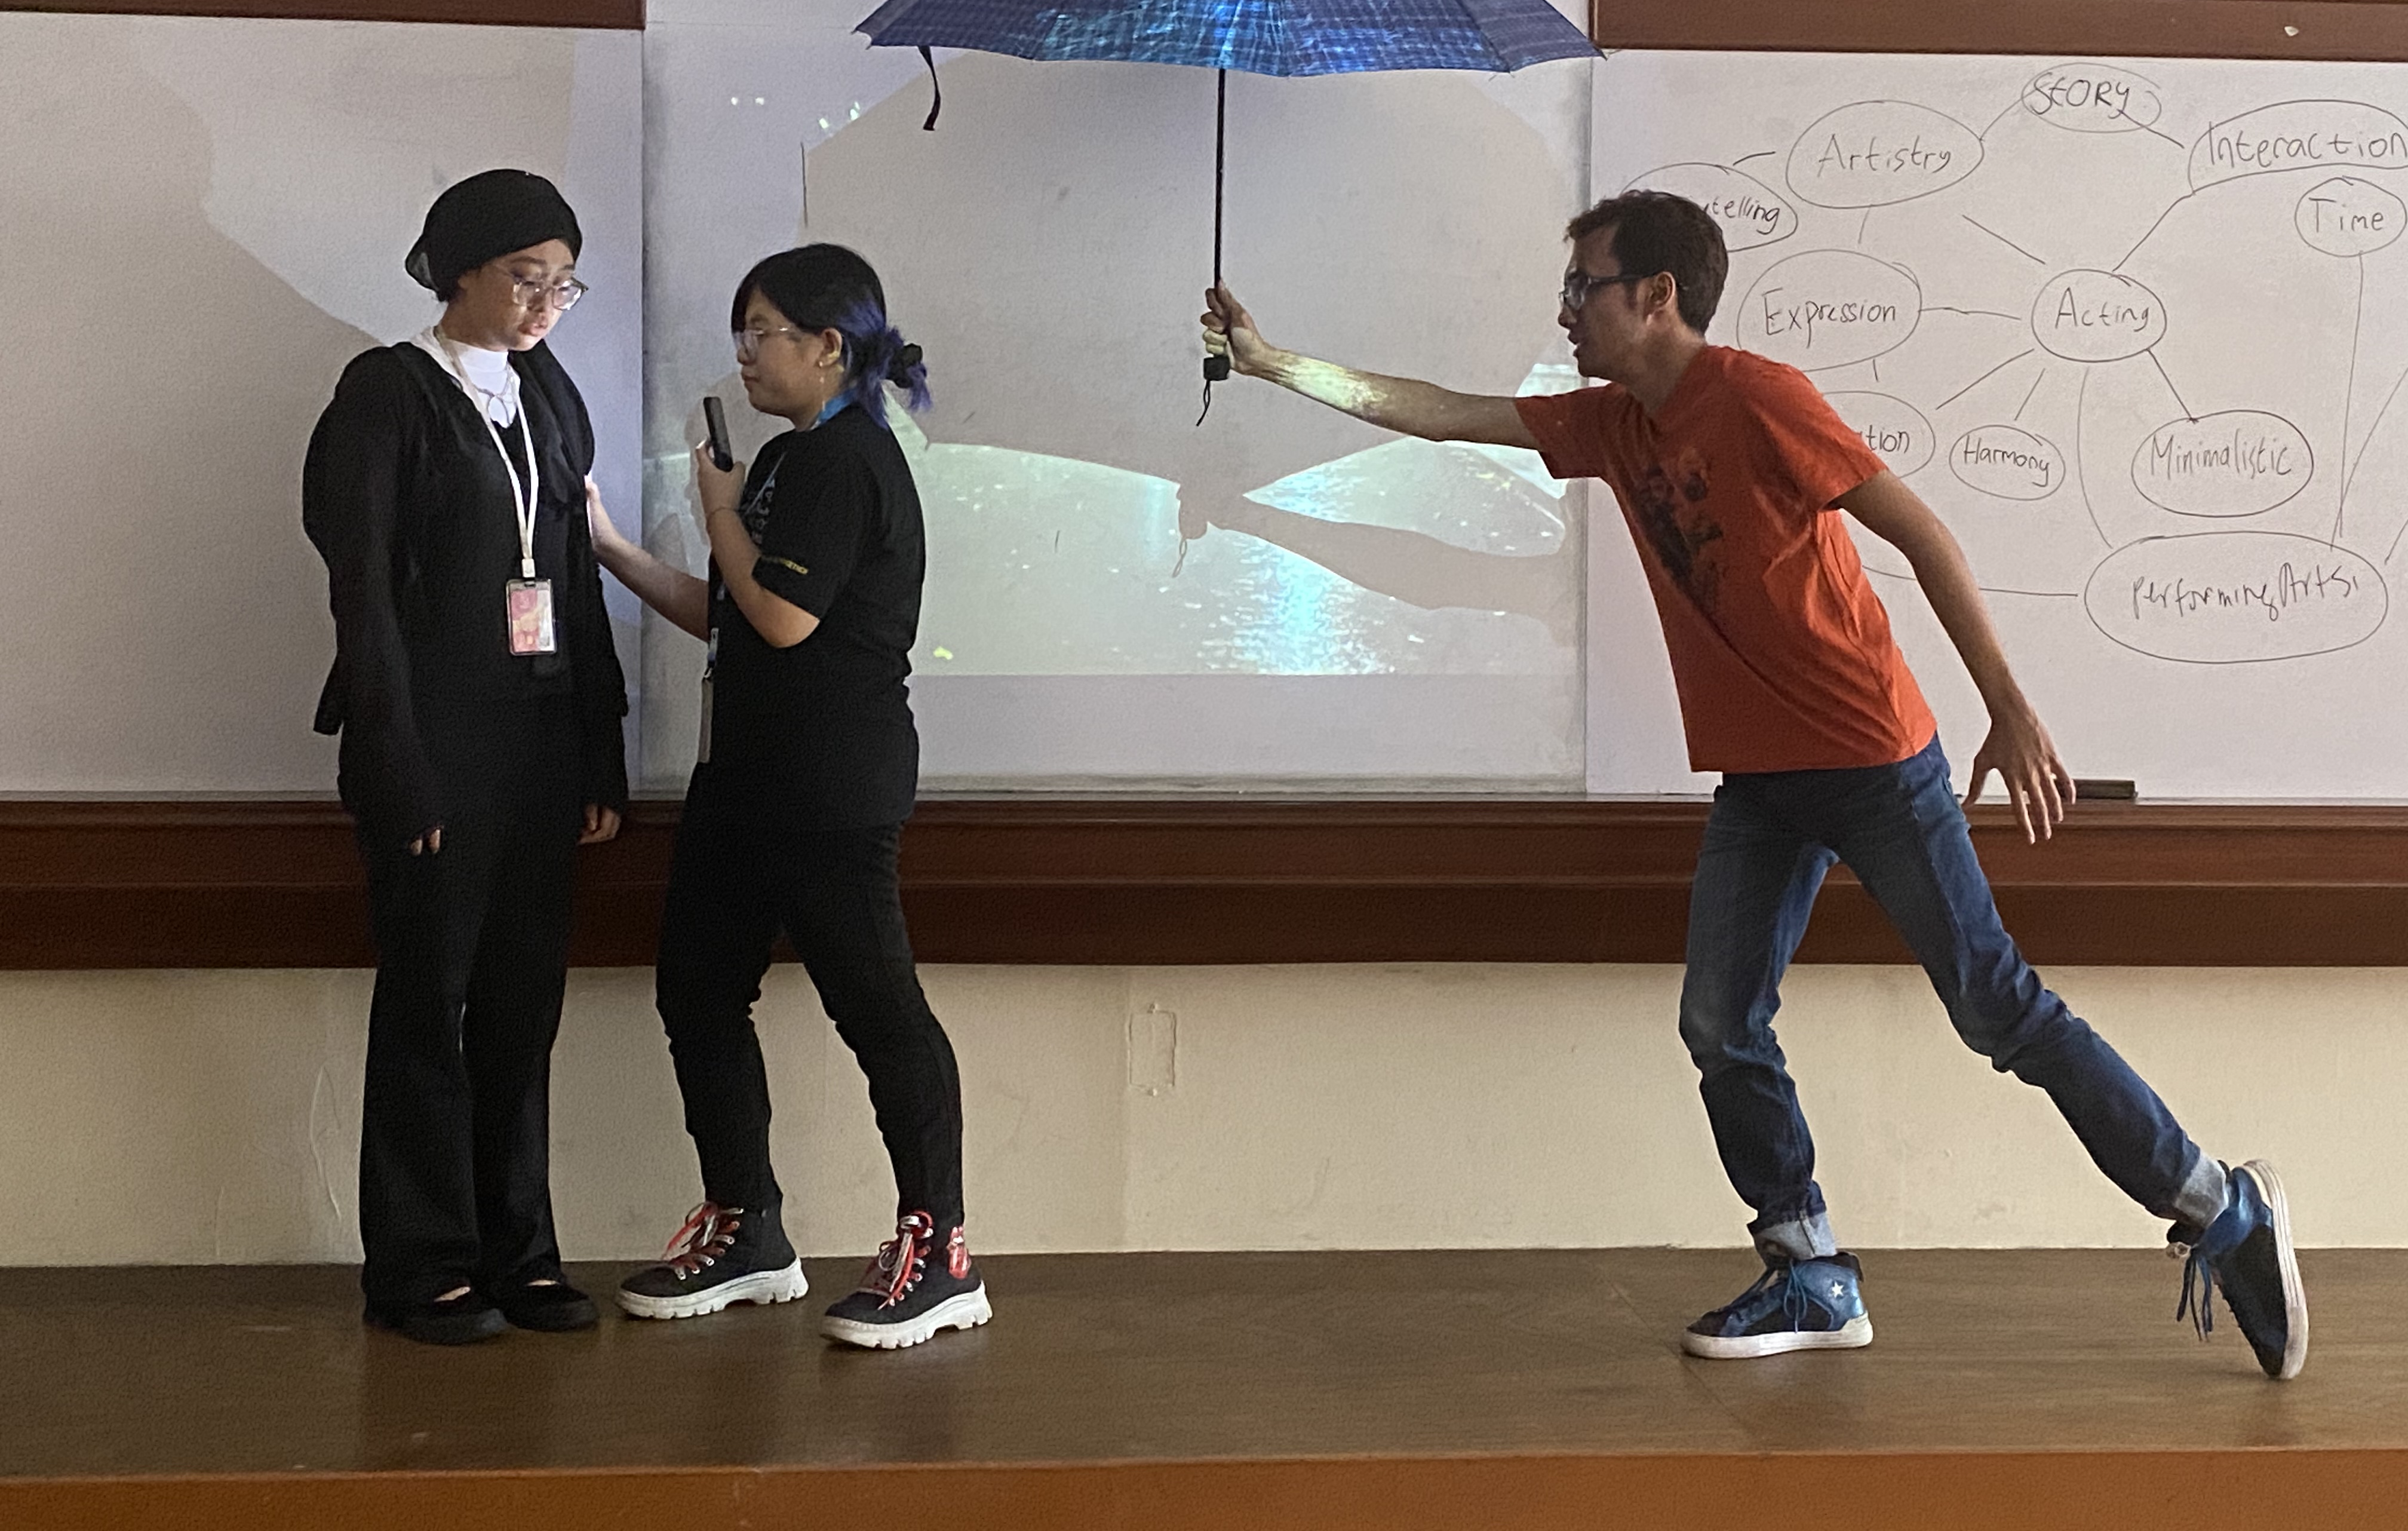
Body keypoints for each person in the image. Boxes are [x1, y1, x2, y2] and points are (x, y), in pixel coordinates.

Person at [1199, 189, 2308, 1380]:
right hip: (1766, 782)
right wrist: (1272, 364)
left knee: (1997, 1008)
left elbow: (1924, 536)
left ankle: (2221, 1206)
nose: (1565, 312)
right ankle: (1808, 1268)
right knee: (1721, 1023)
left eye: (1583, 288)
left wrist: (2010, 707)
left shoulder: (1761, 398)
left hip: (1875, 762)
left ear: (1656, 297)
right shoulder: (1611, 423)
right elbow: (1442, 413)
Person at [587, 244, 988, 1350]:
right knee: (697, 993)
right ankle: (748, 1228)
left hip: (829, 788)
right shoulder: (786, 458)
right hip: (743, 782)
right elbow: (730, 612)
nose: (747, 355)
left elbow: (784, 618)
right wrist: (612, 548)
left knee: (879, 1011)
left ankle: (940, 1254)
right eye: (744, 334)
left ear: (829, 346)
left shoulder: (846, 460)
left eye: (762, 333)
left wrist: (716, 508)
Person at [302, 169, 629, 1345]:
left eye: (564, 283)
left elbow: (573, 579)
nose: (546, 303)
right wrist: (397, 766)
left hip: (538, 748)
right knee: (428, 1006)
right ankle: (421, 1265)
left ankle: (518, 1253)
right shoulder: (387, 392)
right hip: (435, 749)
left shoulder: (550, 395)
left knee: (519, 1011)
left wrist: (599, 754)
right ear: (459, 272)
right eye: (525, 277)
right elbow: (364, 592)